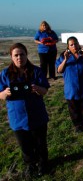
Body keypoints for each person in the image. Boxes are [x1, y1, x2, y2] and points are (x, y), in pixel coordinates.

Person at [0, 43, 50, 177]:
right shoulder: (5, 74)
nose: (19, 58)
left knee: (40, 143)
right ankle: (30, 165)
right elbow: (0, 94)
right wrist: (5, 93)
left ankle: (43, 163)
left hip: (37, 115)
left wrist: (37, 89)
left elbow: (45, 90)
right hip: (17, 118)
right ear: (11, 57)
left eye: (22, 54)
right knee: (25, 145)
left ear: (26, 55)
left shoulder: (36, 71)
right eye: (15, 55)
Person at [56, 36, 83, 133]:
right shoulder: (63, 56)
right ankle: (78, 126)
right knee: (74, 109)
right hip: (72, 89)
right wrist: (65, 60)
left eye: (75, 43)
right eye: (71, 45)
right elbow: (59, 70)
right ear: (68, 47)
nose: (74, 46)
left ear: (78, 44)